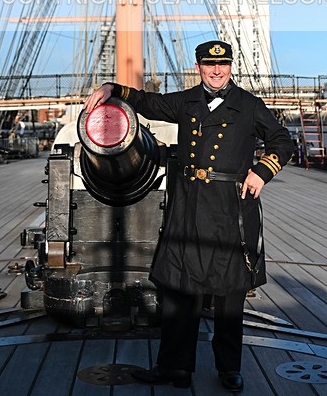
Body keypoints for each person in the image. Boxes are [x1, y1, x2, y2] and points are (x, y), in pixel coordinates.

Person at [83, 40, 294, 392]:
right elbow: (147, 102)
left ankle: (229, 368)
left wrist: (261, 171)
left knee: (230, 295)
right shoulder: (187, 101)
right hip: (189, 206)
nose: (217, 71)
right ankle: (174, 367)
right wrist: (111, 89)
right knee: (179, 289)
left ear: (230, 66)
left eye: (223, 64)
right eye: (210, 65)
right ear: (199, 67)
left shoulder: (248, 105)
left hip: (230, 208)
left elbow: (283, 140)